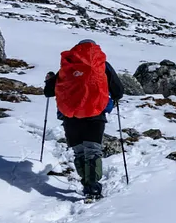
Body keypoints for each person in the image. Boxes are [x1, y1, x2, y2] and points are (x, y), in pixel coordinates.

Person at [44, 40, 124, 199]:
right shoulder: (102, 64)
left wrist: (49, 80)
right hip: (95, 115)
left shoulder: (68, 65)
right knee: (93, 150)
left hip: (70, 117)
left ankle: (87, 183)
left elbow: (48, 92)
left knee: (79, 151)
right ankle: (93, 187)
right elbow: (119, 91)